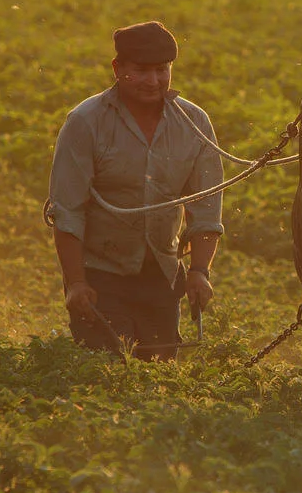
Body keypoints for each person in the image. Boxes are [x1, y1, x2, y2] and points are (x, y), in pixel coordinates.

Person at [47, 21, 224, 360]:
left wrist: (199, 272)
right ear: (118, 69)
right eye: (141, 71)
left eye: (161, 70)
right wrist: (76, 283)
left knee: (158, 372)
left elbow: (206, 206)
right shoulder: (85, 122)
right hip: (101, 276)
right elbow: (67, 210)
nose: (153, 81)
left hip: (161, 275)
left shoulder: (194, 123)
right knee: (108, 369)